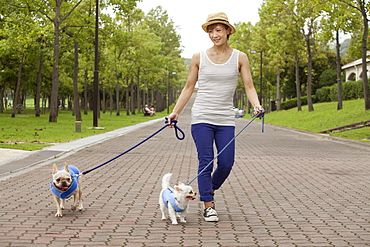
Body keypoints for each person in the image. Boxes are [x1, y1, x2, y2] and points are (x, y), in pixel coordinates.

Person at [167, 12, 264, 222]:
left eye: (218, 30)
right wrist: (175, 111)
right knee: (206, 162)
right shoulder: (198, 57)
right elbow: (188, 87)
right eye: (210, 31)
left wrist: (256, 105)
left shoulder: (240, 57)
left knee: (227, 163)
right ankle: (208, 206)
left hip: (225, 119)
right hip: (202, 116)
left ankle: (206, 189)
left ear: (228, 31)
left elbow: (249, 86)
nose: (214, 34)